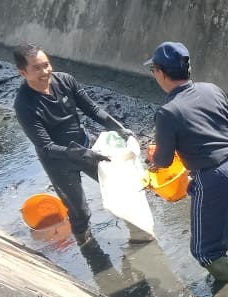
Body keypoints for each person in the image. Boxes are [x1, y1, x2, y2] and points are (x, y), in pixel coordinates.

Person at [145, 41, 228, 283]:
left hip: (213, 177)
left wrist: (153, 157)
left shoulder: (167, 112)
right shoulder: (212, 89)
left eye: (153, 70)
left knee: (206, 252)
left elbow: (164, 161)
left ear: (161, 72)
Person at [12, 43, 144, 244]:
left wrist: (118, 128)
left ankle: (138, 233)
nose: (45, 72)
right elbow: (45, 147)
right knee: (80, 212)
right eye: (37, 68)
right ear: (23, 72)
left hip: (86, 144)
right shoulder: (24, 105)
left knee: (120, 187)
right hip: (59, 161)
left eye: (46, 65)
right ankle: (88, 247)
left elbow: (93, 109)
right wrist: (83, 154)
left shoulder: (65, 81)